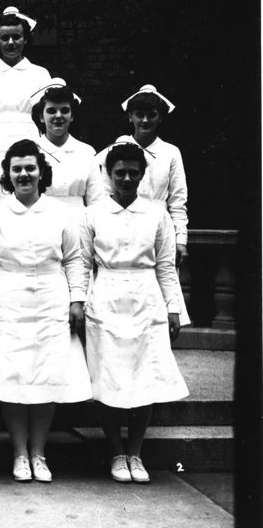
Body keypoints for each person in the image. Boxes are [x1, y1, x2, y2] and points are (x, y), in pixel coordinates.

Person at [0, 139, 91, 482]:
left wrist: (77, 300)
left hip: (51, 297)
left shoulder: (61, 213)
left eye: (30, 168)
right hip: (9, 296)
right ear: (8, 175)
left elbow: (74, 259)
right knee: (14, 376)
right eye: (17, 169)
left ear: (42, 173)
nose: (24, 174)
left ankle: (38, 453)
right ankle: (18, 454)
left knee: (44, 374)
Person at [84, 142, 188, 484]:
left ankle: (136, 453)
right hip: (106, 300)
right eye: (120, 173)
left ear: (143, 175)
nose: (126, 178)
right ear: (107, 175)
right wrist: (81, 303)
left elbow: (166, 267)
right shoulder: (93, 214)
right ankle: (116, 451)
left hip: (147, 299)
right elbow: (84, 265)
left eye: (133, 172)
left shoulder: (156, 214)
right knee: (110, 376)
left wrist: (173, 307)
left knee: (145, 377)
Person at [96, 84, 189, 266]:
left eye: (152, 115)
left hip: (159, 229)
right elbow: (104, 195)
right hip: (122, 225)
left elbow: (178, 201)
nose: (145, 120)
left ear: (160, 117)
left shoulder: (171, 152)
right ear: (130, 117)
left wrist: (181, 240)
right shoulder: (115, 149)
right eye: (139, 114)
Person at [0, 6, 51, 154]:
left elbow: (46, 115)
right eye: (4, 38)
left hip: (31, 143)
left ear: (25, 39)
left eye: (16, 37)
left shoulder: (40, 74)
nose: (11, 43)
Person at [30, 80, 103, 212]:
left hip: (79, 224)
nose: (58, 116)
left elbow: (96, 200)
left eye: (64, 111)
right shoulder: (31, 151)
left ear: (72, 116)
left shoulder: (86, 152)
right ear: (41, 117)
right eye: (51, 111)